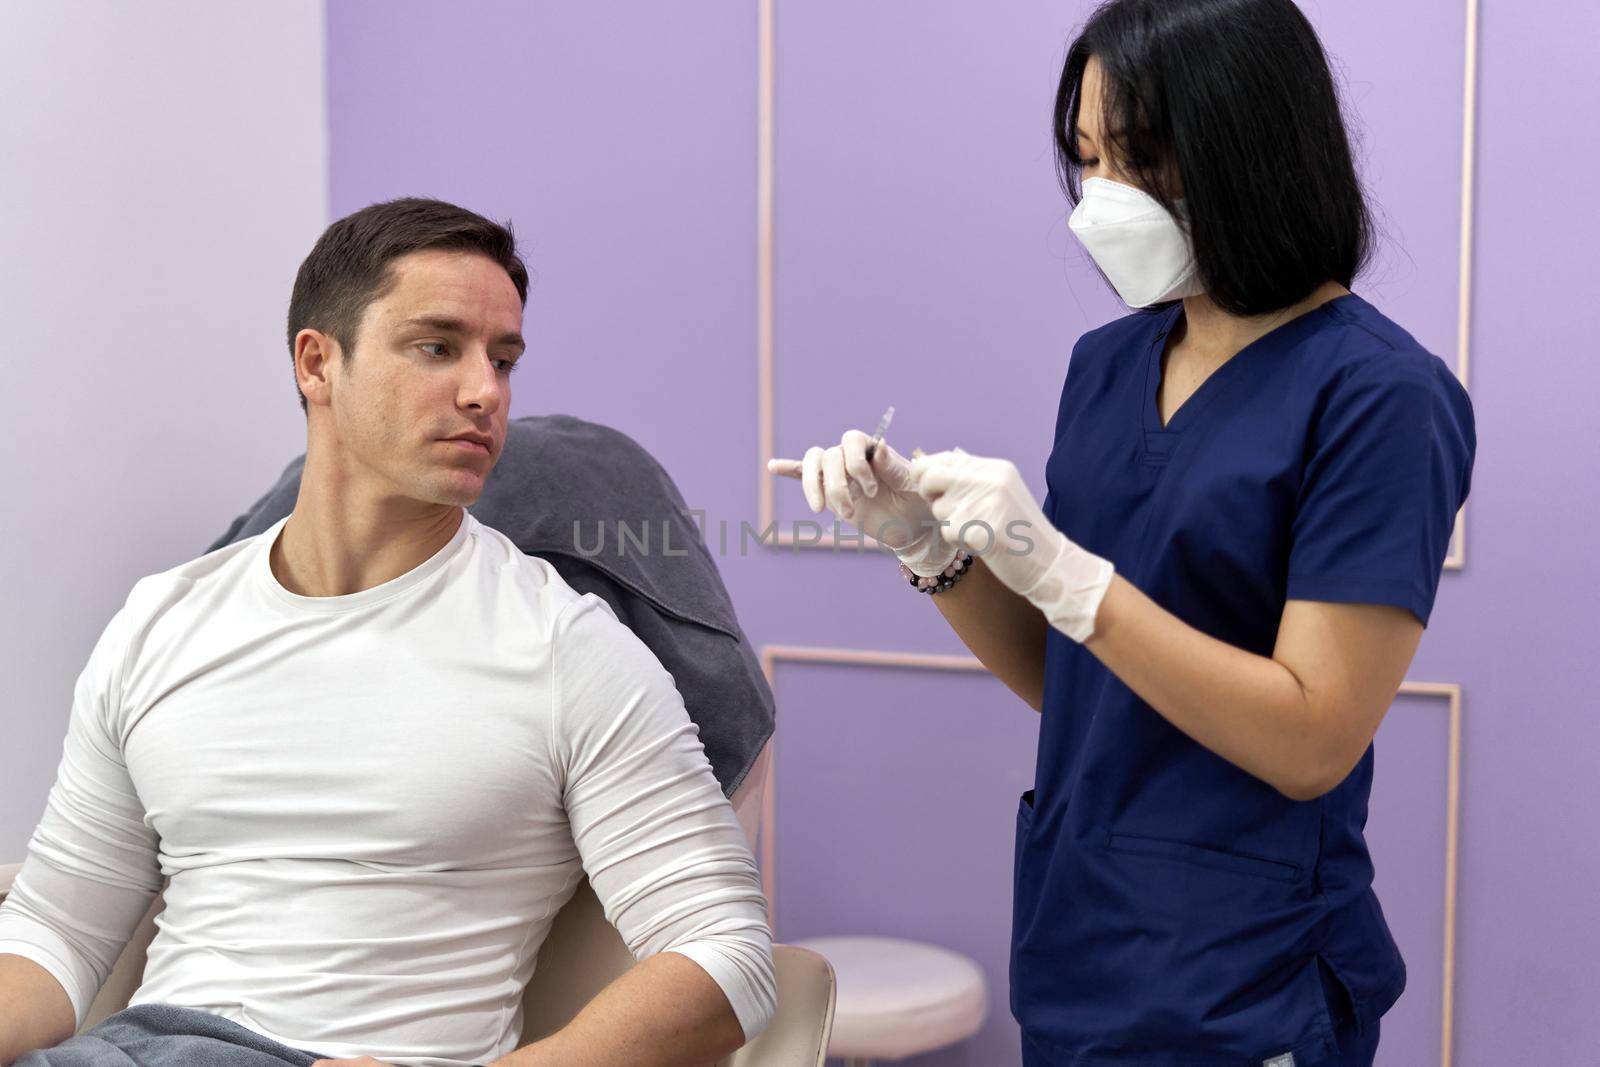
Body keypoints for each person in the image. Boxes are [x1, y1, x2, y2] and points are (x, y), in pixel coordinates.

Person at [772, 1, 1475, 1063]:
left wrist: (1063, 571)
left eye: (1140, 156)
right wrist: (930, 545)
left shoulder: (1379, 395)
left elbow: (1310, 738)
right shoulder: (1105, 367)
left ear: (1249, 146)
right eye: (1087, 157)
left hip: (1246, 979)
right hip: (1080, 949)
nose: (1100, 196)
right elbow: (1080, 681)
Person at [0, 198, 774, 1067]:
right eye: (438, 347)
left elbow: (727, 953)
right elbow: (56, 929)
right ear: (317, 364)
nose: (486, 391)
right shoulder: (162, 621)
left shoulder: (566, 649)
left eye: (504, 358)